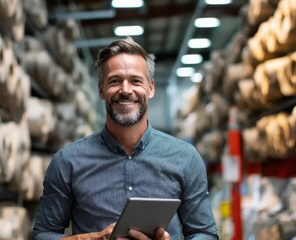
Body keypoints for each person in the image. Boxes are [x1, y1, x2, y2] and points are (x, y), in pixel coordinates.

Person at [32, 37, 219, 240]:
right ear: (101, 89)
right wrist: (94, 239)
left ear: (151, 88)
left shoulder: (186, 158)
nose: (126, 90)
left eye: (136, 81)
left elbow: (205, 233)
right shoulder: (67, 162)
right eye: (115, 81)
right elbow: (42, 235)